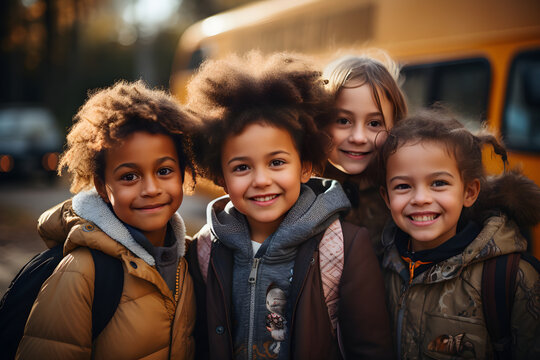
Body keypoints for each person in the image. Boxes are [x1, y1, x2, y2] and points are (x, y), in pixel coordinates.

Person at [185, 51, 393, 360]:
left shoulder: (345, 246)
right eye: (242, 167)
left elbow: (370, 349)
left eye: (277, 162)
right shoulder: (205, 249)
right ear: (222, 179)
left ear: (305, 166)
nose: (261, 180)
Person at [16, 80, 197, 359]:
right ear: (102, 187)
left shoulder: (191, 260)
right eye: (129, 177)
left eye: (164, 171)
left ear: (183, 174)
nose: (150, 189)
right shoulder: (82, 273)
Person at [377, 108, 540, 359]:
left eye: (439, 183)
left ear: (469, 192)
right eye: (403, 186)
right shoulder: (379, 263)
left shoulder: (512, 278)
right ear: (386, 198)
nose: (421, 198)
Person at [321, 52, 408, 257]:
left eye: (374, 124)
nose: (359, 137)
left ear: (394, 126)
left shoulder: (403, 190)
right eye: (343, 121)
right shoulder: (297, 189)